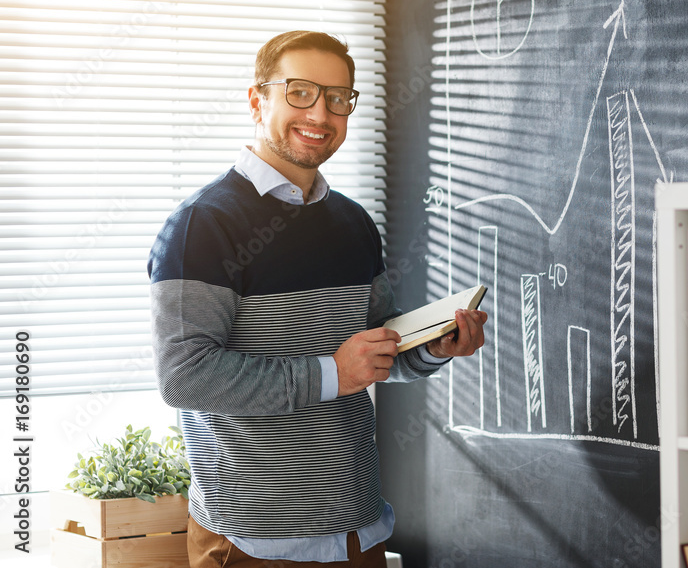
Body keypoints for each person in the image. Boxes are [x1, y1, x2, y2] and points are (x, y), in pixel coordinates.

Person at [147, 30, 487, 568]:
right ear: (258, 100)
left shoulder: (353, 223)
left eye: (338, 98)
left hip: (360, 531)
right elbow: (185, 376)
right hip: (254, 541)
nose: (321, 113)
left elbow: (373, 354)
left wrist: (431, 349)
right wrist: (334, 373)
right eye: (300, 91)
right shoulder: (201, 226)